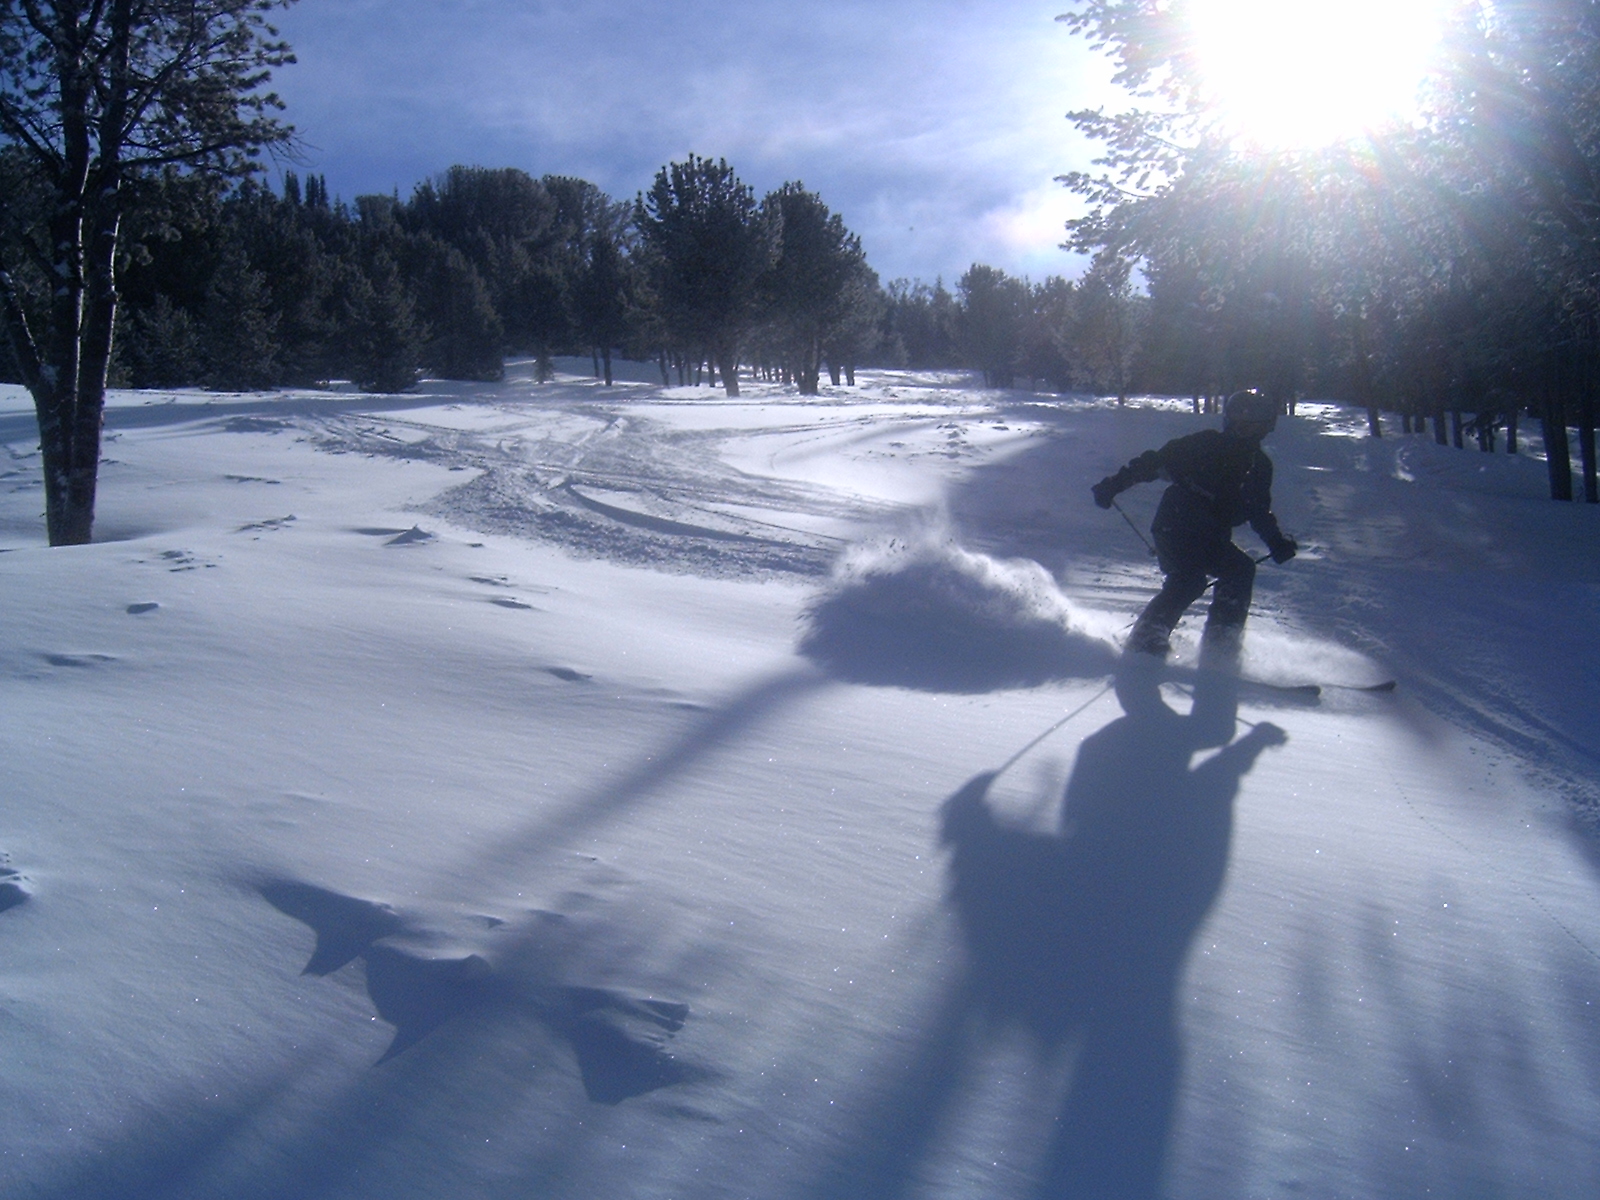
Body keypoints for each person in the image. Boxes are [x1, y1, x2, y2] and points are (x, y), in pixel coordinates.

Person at [1091, 388, 1297, 657]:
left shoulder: (1259, 465)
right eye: (1239, 423)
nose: (1244, 431)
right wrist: (1114, 485)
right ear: (1229, 420)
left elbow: (1258, 510)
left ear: (1265, 428)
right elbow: (1155, 462)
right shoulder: (1206, 444)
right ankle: (1145, 640)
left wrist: (1276, 541)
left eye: (1252, 427)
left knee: (1240, 569)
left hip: (1213, 535)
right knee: (1188, 579)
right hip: (1176, 524)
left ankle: (1221, 644)